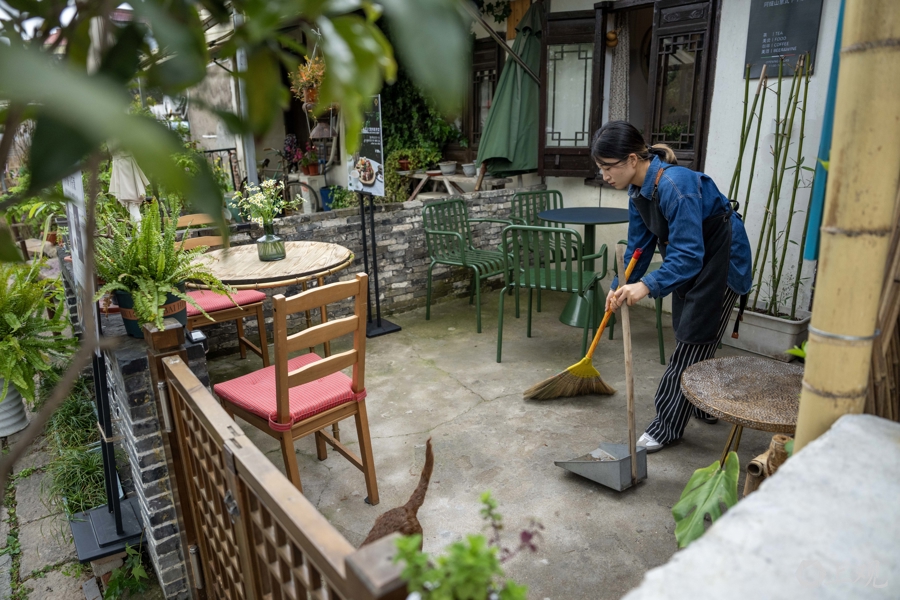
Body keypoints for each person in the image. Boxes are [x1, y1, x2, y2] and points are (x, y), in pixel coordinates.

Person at [595, 121, 752, 453]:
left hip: (721, 262)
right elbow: (639, 247)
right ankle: (702, 401)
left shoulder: (675, 186)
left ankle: (666, 426)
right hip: (690, 260)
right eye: (600, 168)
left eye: (608, 167)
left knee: (695, 339)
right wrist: (619, 285)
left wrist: (646, 286)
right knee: (688, 331)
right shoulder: (638, 190)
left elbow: (689, 255)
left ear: (632, 160)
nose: (604, 175)